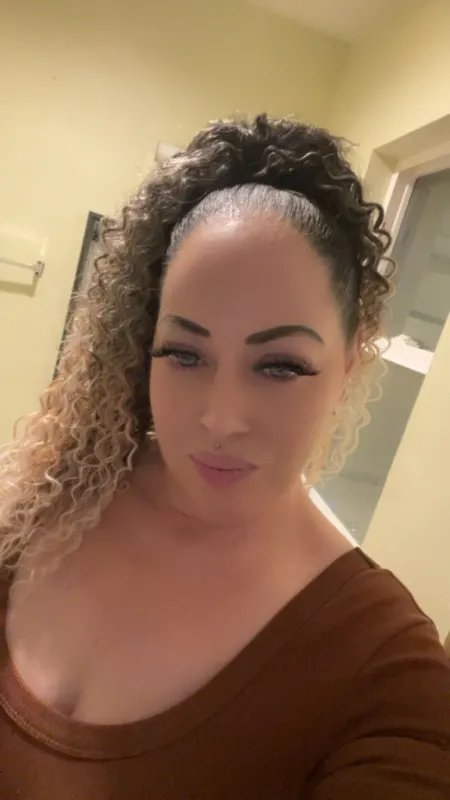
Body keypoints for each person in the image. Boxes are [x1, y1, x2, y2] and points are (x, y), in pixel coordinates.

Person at [0, 114, 449, 799]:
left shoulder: (387, 670)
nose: (220, 419)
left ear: (352, 361)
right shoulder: (47, 495)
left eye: (279, 366)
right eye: (184, 353)